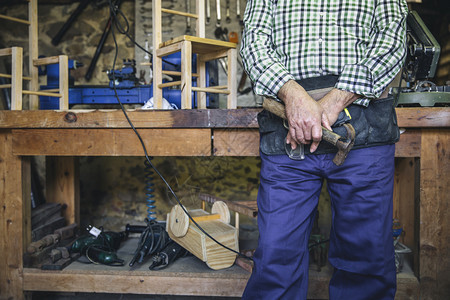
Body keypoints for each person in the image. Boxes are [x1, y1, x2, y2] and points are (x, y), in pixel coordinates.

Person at [240, 0, 408, 299]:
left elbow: (391, 40)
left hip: (364, 124)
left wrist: (334, 101)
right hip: (285, 127)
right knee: (276, 259)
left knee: (366, 257)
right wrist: (293, 95)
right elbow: (254, 44)